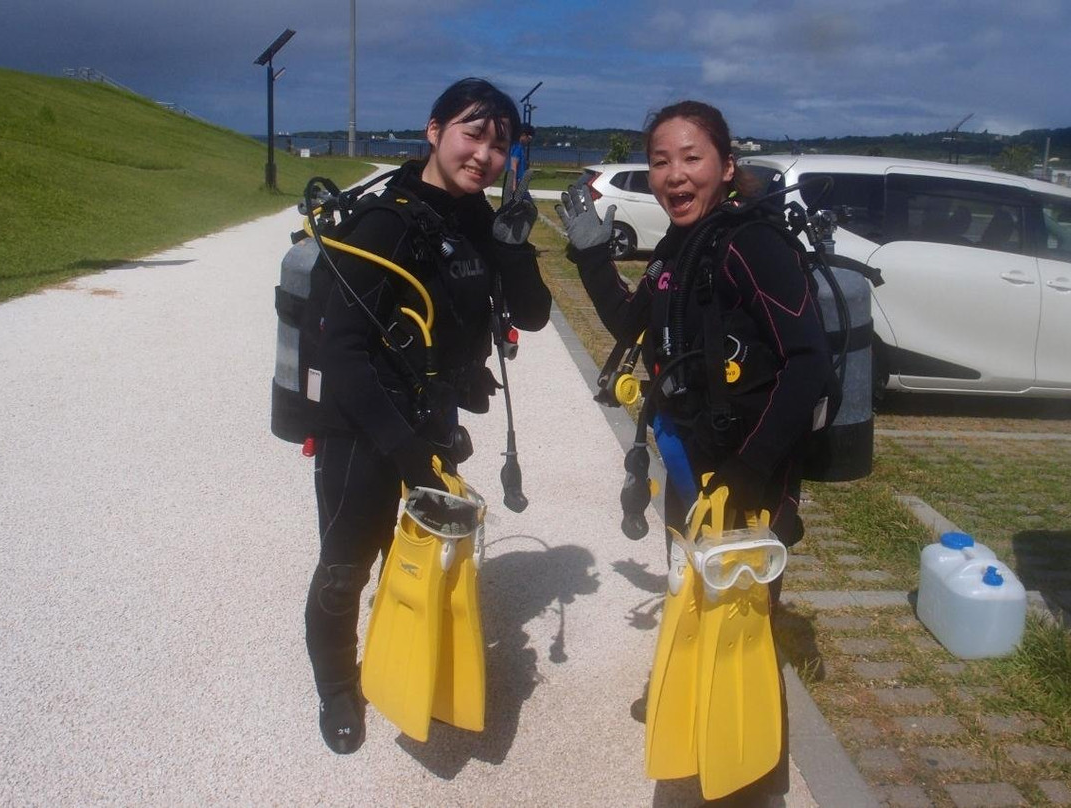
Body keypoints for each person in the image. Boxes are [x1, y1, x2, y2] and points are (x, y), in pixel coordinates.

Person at [558, 100, 831, 804]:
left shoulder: (752, 245)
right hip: (692, 471)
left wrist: (747, 474)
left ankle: (748, 777)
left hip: (748, 475)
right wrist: (590, 250)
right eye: (659, 161)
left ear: (726, 166)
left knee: (744, 624)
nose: (674, 175)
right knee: (694, 593)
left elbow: (808, 364)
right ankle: (700, 720)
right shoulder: (682, 247)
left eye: (691, 158)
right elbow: (628, 318)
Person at [304, 77, 551, 755]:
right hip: (363, 429)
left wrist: (515, 238)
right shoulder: (385, 224)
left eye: (499, 144)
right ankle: (336, 687)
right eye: (473, 133)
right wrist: (407, 453)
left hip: (433, 426)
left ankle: (401, 665)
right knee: (344, 566)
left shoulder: (477, 220)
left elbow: (531, 314)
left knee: (416, 562)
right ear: (434, 129)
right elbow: (345, 354)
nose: (484, 154)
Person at [508, 123, 535, 195]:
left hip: (521, 184)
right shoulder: (517, 148)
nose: (529, 141)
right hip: (517, 184)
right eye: (528, 138)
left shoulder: (521, 148)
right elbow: (513, 167)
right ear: (523, 135)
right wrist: (513, 186)